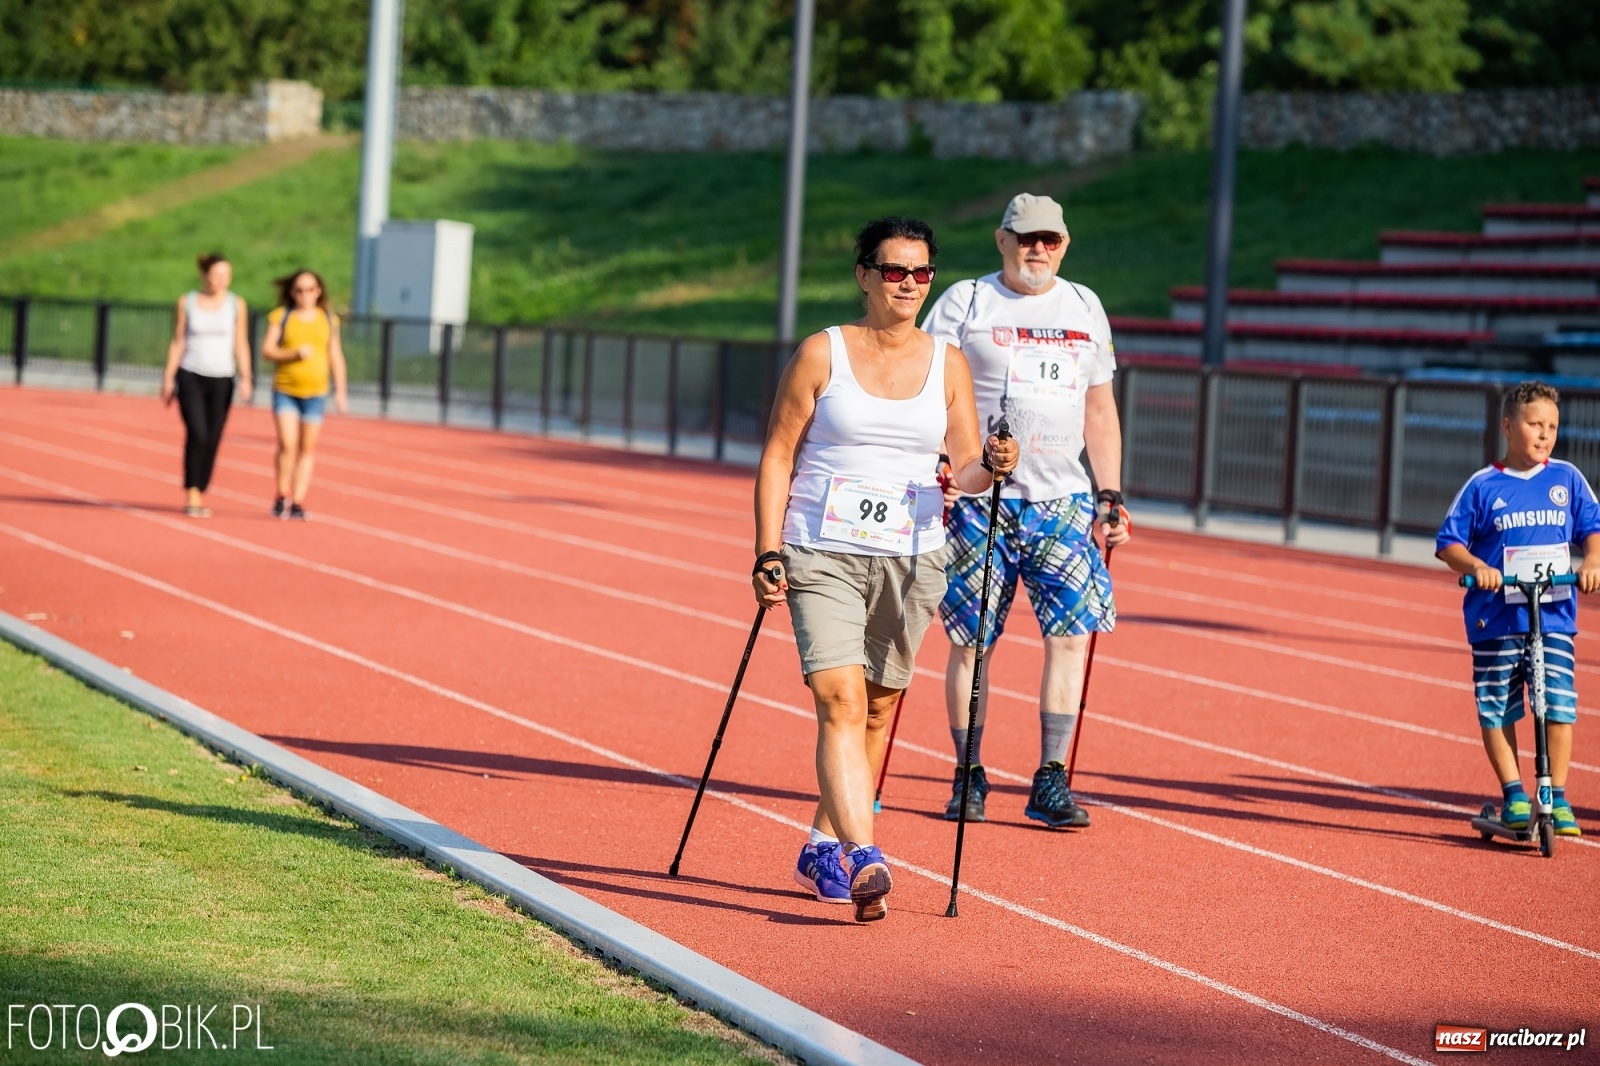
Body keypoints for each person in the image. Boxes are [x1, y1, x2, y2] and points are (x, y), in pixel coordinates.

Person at [754, 217, 1018, 922]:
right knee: (839, 700)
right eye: (895, 270)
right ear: (865, 275)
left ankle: (821, 846)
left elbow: (966, 468)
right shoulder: (822, 353)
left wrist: (993, 467)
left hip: (912, 554)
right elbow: (778, 454)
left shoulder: (948, 363)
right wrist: (767, 548)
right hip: (822, 548)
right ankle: (864, 854)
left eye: (921, 272)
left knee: (876, 706)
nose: (909, 283)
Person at [920, 192, 1130, 830]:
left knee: (1070, 637)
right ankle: (969, 774)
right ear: (1002, 240)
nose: (1037, 249)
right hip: (979, 501)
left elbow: (1100, 409)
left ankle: (1051, 778)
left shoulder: (1085, 305)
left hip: (1061, 502)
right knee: (971, 643)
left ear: (1064, 246)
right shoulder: (966, 301)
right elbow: (928, 391)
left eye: (1050, 240)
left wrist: (1111, 494)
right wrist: (938, 464)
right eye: (1026, 238)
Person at [1436, 381, 1600, 838]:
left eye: (1552, 426)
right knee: (1497, 707)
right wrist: (1477, 566)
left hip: (1553, 617)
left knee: (1559, 703)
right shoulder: (1482, 485)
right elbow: (1449, 543)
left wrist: (1593, 560)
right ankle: (1514, 794)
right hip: (1497, 619)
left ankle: (1557, 796)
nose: (1545, 434)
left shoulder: (1567, 478)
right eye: (1535, 424)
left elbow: (1593, 527)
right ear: (1509, 427)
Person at [160, 254, 252, 517]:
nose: (221, 280)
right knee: (197, 433)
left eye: (226, 275)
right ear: (205, 275)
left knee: (213, 437)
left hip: (222, 377)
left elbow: (240, 341)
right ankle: (192, 492)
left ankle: (201, 487)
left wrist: (246, 376)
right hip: (191, 374)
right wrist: (168, 377)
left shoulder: (236, 304)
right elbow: (178, 341)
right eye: (217, 274)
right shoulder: (187, 302)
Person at [262, 269, 347, 520]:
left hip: (316, 392)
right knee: (287, 444)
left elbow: (335, 355)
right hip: (286, 389)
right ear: (292, 292)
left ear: (318, 291)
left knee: (307, 448)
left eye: (310, 289)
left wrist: (341, 390)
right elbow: (267, 350)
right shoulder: (282, 316)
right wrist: (293, 354)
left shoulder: (328, 319)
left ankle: (298, 501)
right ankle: (282, 494)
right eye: (299, 290)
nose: (305, 295)